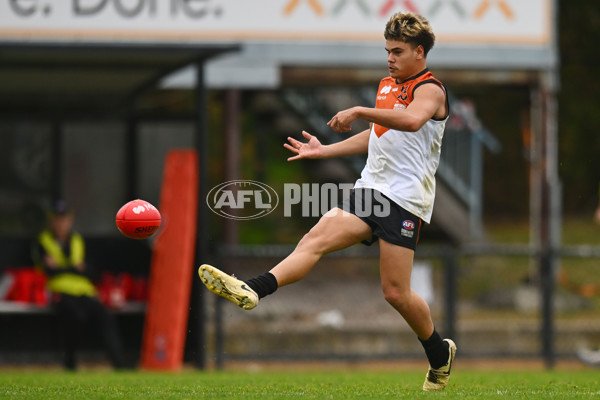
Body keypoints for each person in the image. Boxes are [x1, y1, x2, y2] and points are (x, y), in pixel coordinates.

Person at [198, 11, 456, 391]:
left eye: (398, 51)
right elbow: (378, 134)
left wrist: (358, 109)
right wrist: (325, 152)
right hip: (371, 191)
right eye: (387, 51)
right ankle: (253, 288)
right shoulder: (387, 84)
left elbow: (414, 121)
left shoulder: (431, 89)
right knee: (315, 239)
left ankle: (438, 353)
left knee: (395, 293)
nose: (390, 58)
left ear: (420, 52)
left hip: (405, 200)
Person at [31, 200, 125, 370]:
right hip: (60, 290)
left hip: (85, 290)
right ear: (51, 221)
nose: (62, 223)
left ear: (70, 220)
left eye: (65, 219)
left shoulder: (77, 240)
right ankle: (70, 362)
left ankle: (119, 365)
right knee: (75, 317)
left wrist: (64, 267)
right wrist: (74, 268)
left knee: (105, 317)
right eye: (58, 219)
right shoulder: (43, 240)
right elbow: (49, 270)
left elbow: (90, 270)